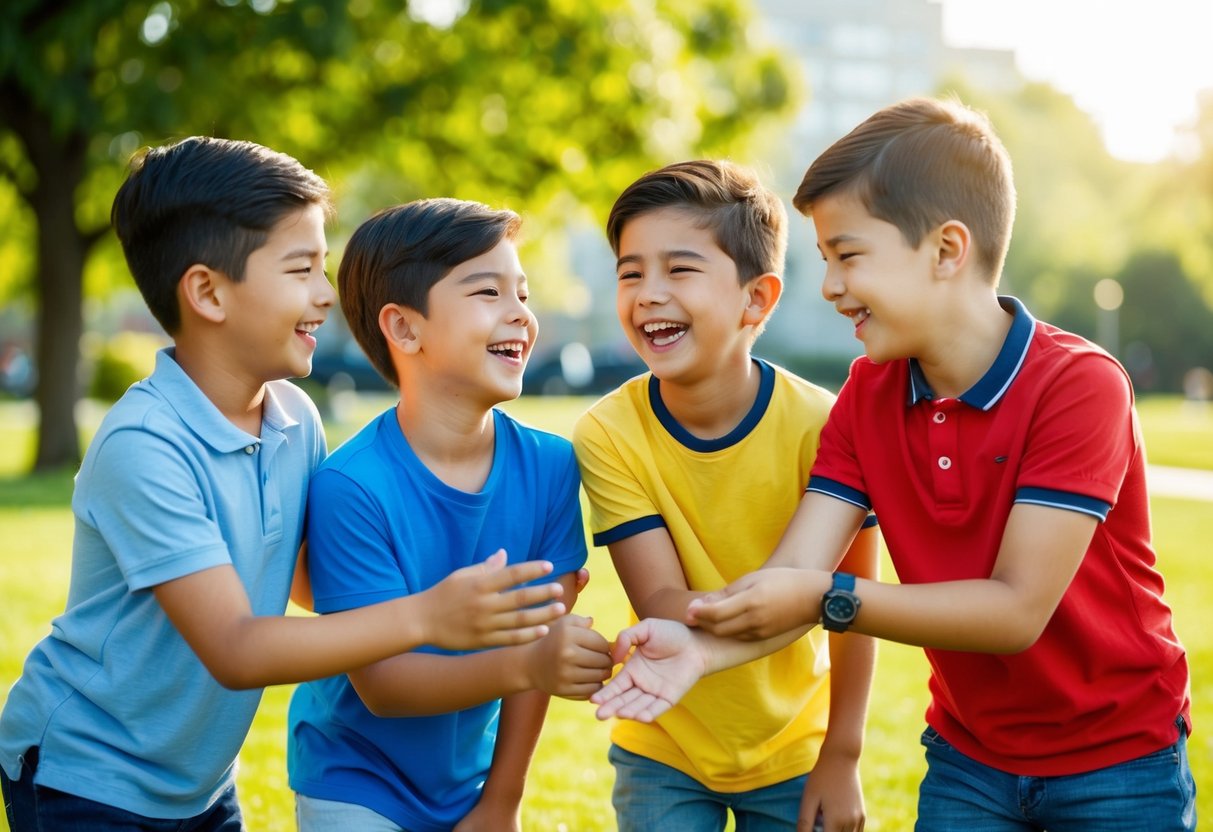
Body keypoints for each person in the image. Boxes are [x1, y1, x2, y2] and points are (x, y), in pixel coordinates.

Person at [593, 98, 1196, 832]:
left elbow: (1012, 611)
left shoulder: (1078, 385)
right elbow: (792, 577)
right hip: (967, 758)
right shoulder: (865, 398)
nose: (830, 286)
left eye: (847, 255)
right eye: (824, 260)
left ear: (946, 251)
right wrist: (697, 650)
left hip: (1117, 759)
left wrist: (827, 596)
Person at [0, 137, 569, 831]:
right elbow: (238, 649)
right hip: (87, 775)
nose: (327, 296)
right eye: (302, 269)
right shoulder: (144, 446)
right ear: (208, 291)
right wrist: (428, 616)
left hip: (200, 785)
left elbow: (310, 575)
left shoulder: (294, 419)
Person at [286, 198, 614, 832]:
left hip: (472, 781)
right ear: (405, 329)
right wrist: (527, 663)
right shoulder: (351, 487)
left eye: (523, 292)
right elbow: (384, 687)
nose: (520, 312)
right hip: (355, 775)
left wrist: (502, 800)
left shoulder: (550, 467)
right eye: (488, 291)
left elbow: (537, 646)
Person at [572, 160, 878, 832]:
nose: (648, 293)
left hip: (795, 748)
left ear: (756, 299)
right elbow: (658, 599)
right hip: (664, 743)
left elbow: (850, 605)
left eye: (679, 270)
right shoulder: (607, 432)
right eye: (630, 272)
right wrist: (778, 601)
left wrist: (842, 753)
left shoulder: (824, 425)